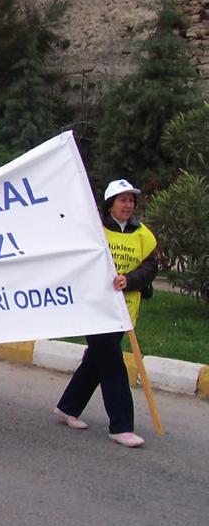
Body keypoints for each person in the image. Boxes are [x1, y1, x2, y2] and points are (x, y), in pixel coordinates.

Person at [54, 179, 157, 448]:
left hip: (123, 310)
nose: (128, 205)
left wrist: (130, 280)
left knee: (97, 360)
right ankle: (121, 426)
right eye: (122, 200)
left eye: (131, 200)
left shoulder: (143, 234)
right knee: (112, 363)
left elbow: (151, 267)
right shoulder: (94, 230)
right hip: (95, 307)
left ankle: (67, 407)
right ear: (110, 204)